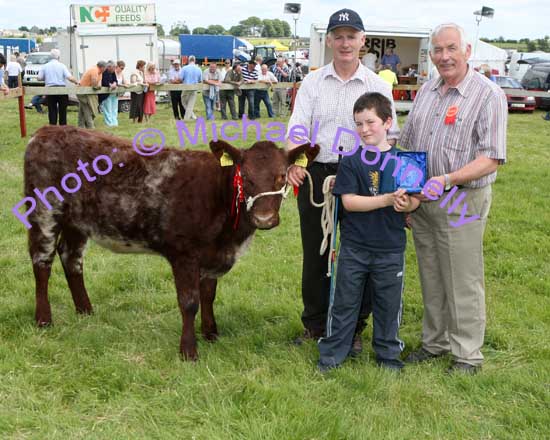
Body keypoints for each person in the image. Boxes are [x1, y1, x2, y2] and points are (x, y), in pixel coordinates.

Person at [286, 8, 399, 345]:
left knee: (360, 250)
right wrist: (296, 160)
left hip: (363, 171)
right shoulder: (313, 81)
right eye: (339, 36)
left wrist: (383, 178)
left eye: (352, 36)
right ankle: (316, 324)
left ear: (362, 41)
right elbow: (298, 126)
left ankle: (354, 326)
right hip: (317, 171)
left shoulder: (377, 84)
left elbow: (389, 136)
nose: (345, 43)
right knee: (316, 249)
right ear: (330, 41)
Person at [399, 23, 507, 374]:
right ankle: (435, 343)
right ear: (430, 55)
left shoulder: (488, 94)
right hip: (424, 199)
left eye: (451, 49)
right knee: (431, 274)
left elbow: (491, 157)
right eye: (437, 51)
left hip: (462, 198)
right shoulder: (428, 91)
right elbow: (409, 145)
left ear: (467, 51)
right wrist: (408, 192)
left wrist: (447, 179)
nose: (444, 57)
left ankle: (467, 354)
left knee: (462, 277)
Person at [318, 92, 419, 373]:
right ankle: (333, 354)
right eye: (358, 124)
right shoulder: (351, 160)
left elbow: (415, 200)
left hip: (390, 249)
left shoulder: (405, 160)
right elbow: (349, 202)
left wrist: (405, 202)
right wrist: (387, 200)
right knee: (344, 302)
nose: (364, 129)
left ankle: (388, 355)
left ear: (387, 122)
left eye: (370, 122)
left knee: (388, 305)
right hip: (355, 247)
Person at [37, 49, 78, 125]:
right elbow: (69, 77)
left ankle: (53, 127)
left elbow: (39, 78)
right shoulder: (62, 66)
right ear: (58, 57)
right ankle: (63, 127)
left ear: (50, 57)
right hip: (61, 89)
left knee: (52, 110)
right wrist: (77, 82)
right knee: (63, 110)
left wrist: (46, 77)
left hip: (50, 89)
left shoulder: (45, 66)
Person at [78, 60, 107, 128]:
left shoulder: (100, 73)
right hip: (83, 93)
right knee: (88, 109)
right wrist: (98, 87)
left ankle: (81, 126)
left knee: (82, 110)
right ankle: (90, 127)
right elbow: (94, 85)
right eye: (105, 68)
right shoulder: (94, 70)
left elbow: (99, 84)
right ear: (102, 67)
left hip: (87, 93)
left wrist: (98, 86)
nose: (105, 70)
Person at [180, 55, 203, 120]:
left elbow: (181, 79)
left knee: (184, 102)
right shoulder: (199, 69)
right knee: (190, 103)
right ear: (194, 60)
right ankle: (193, 116)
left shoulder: (184, 68)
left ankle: (186, 118)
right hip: (194, 88)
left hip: (186, 87)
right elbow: (200, 80)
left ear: (188, 60)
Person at [99, 61, 119, 127]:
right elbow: (104, 82)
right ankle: (109, 124)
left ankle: (115, 123)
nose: (114, 69)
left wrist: (115, 83)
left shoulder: (113, 72)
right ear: (109, 67)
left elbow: (115, 80)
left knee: (114, 109)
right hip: (106, 94)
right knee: (108, 109)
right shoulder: (104, 72)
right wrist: (110, 85)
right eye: (114, 68)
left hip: (113, 93)